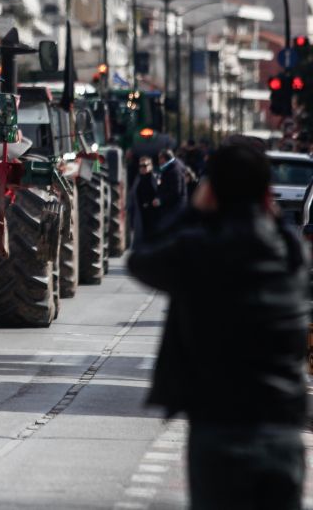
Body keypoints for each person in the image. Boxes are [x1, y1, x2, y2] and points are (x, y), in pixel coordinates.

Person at [128, 140, 309, 510]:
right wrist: (267, 212)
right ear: (266, 195)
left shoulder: (198, 251)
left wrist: (194, 211)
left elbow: (142, 258)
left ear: (211, 191)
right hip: (282, 431)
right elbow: (290, 238)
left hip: (219, 428)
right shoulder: (289, 255)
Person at [129, 155, 160, 243]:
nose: (142, 168)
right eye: (140, 166)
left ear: (151, 166)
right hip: (140, 211)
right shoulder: (137, 179)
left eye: (145, 166)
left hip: (152, 212)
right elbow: (133, 195)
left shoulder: (155, 178)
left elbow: (160, 193)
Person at [154, 148, 189, 224]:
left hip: (174, 208)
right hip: (175, 207)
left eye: (160, 159)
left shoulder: (174, 171)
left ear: (164, 159)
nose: (159, 161)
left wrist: (161, 200)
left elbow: (176, 191)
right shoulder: (173, 167)